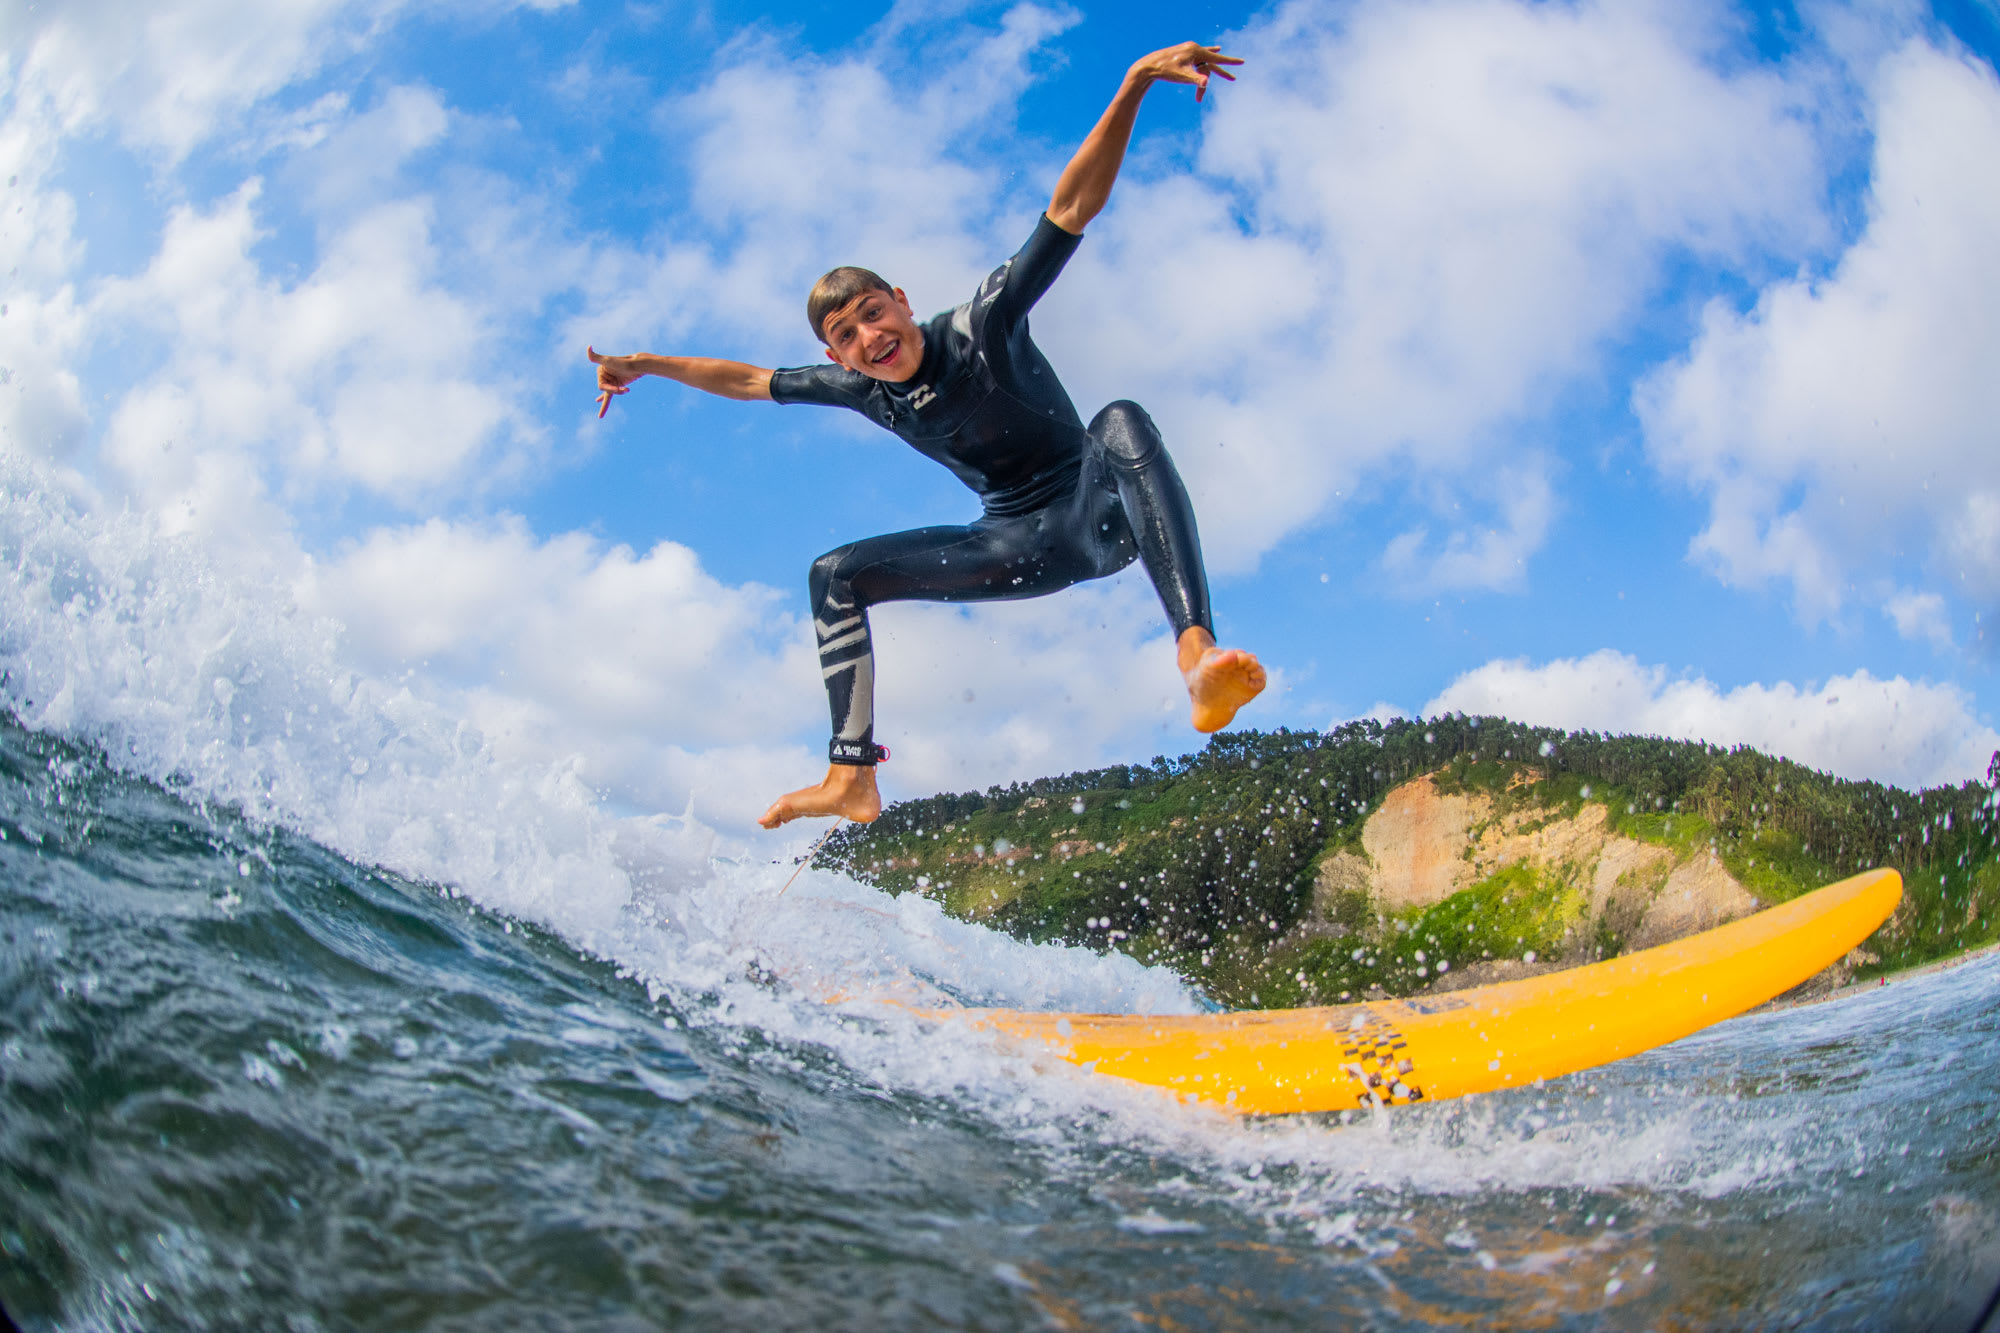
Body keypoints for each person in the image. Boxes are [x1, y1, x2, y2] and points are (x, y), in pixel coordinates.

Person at [589, 41, 1265, 830]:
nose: (869, 337)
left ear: (902, 302)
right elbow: (744, 379)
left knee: (1118, 418)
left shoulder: (984, 324)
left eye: (874, 313)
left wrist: (1133, 80)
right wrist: (644, 364)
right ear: (835, 354)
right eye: (846, 335)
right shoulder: (864, 390)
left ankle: (1195, 656)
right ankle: (850, 776)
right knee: (832, 573)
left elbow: (1071, 208)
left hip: (1097, 513)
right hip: (1016, 548)